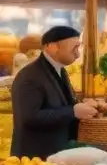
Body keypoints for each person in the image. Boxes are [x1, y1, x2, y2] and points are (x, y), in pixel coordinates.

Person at [11, 26, 99, 157]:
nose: (78, 54)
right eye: (74, 48)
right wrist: (73, 111)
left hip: (57, 153)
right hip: (35, 158)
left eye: (78, 48)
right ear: (52, 47)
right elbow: (29, 117)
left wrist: (84, 105)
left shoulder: (60, 70)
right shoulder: (30, 77)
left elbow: (60, 104)